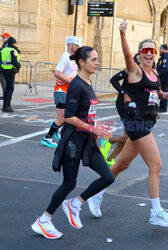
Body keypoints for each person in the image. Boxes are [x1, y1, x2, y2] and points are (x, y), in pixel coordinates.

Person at [88, 18, 168, 228]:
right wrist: (122, 34)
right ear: (140, 53)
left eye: (152, 51)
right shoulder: (135, 70)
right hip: (138, 125)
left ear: (155, 54)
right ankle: (156, 212)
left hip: (147, 122)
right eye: (145, 50)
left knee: (122, 163)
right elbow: (127, 54)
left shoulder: (154, 73)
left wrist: (166, 95)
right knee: (156, 166)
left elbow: (155, 93)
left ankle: (94, 194)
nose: (148, 54)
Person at [31, 46, 115, 239]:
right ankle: (43, 220)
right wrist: (93, 129)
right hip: (73, 142)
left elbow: (86, 114)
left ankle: (75, 203)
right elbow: (68, 116)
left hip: (87, 140)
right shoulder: (76, 84)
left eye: (97, 59)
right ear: (81, 63)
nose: (97, 62)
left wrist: (96, 131)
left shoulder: (87, 82)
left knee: (108, 177)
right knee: (69, 183)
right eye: (93, 60)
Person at [41, 36, 81, 148]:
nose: (78, 47)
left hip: (67, 91)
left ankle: (56, 129)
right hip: (61, 91)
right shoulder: (65, 57)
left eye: (78, 45)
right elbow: (57, 73)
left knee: (69, 116)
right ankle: (47, 137)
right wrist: (71, 82)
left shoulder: (71, 58)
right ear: (69, 45)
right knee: (63, 118)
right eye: (76, 45)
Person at [0, 36, 20, 112]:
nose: (16, 44)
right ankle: (7, 106)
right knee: (10, 88)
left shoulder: (3, 50)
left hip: (4, 70)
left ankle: (5, 106)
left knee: (7, 89)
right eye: (15, 43)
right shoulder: (13, 50)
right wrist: (18, 66)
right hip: (11, 71)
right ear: (13, 43)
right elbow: (15, 63)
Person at [156, 44, 168, 112]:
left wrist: (158, 74)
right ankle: (161, 106)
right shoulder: (163, 57)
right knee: (163, 91)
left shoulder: (166, 57)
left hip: (166, 79)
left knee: (164, 91)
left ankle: (163, 107)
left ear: (165, 49)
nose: (160, 50)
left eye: (161, 49)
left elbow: (164, 69)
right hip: (164, 79)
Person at [0, 33, 10, 99]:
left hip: (4, 65)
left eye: (3, 37)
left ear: (7, 37)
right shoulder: (5, 44)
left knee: (3, 79)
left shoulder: (7, 44)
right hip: (3, 64)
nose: (2, 38)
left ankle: (5, 95)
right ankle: (5, 94)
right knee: (3, 80)